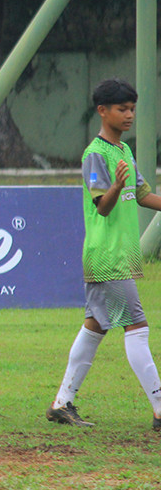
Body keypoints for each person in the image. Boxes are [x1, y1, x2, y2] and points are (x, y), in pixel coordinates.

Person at [46, 77, 161, 430]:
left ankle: (62, 404)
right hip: (107, 257)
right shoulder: (95, 154)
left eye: (132, 109)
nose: (129, 115)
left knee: (94, 328)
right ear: (103, 111)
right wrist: (115, 186)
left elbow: (142, 195)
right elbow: (103, 207)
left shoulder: (124, 151)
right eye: (122, 109)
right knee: (137, 327)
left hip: (116, 257)